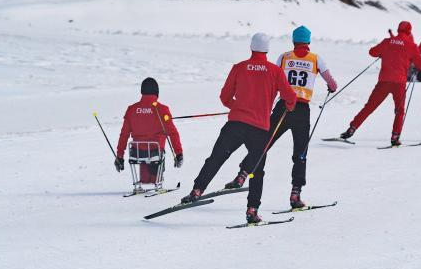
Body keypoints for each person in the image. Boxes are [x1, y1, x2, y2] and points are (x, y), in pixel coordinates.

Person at [182, 33, 298, 225]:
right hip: (259, 129)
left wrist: (236, 107)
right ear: (267, 50)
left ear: (251, 47)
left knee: (216, 158)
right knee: (256, 171)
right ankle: (252, 210)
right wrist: (290, 106)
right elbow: (290, 97)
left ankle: (197, 190)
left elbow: (224, 97)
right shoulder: (275, 71)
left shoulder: (239, 67)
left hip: (235, 124)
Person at [223, 26, 338, 209]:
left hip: (283, 108)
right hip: (301, 110)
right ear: (308, 41)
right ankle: (295, 194)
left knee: (263, 144)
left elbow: (272, 79)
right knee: (300, 153)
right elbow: (332, 83)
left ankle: (242, 175)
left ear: (294, 41)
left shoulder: (284, 57)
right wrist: (331, 87)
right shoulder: (316, 59)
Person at [339, 21, 421, 147]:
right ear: (409, 32)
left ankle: (351, 129)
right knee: (399, 111)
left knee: (369, 107)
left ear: (398, 30)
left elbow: (372, 52)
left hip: (384, 81)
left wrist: (383, 53)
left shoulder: (387, 42)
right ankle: (395, 137)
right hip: (399, 84)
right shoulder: (412, 46)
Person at [114, 77, 183, 189]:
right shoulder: (162, 109)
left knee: (144, 152)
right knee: (155, 151)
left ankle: (145, 180)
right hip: (155, 152)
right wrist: (179, 153)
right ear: (157, 92)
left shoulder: (131, 109)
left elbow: (124, 135)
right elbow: (173, 133)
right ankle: (157, 181)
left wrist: (119, 156)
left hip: (136, 153)